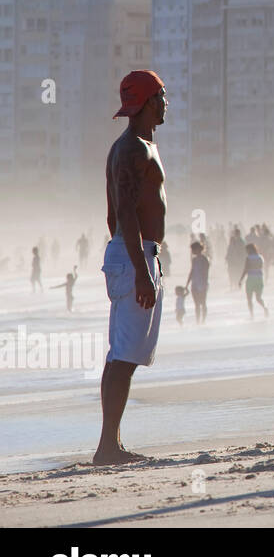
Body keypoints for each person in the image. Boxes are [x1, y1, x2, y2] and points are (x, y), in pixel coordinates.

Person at [97, 69, 167, 465]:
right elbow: (123, 211)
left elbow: (118, 216)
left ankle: (113, 444)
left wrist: (143, 258)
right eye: (161, 95)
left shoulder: (139, 145)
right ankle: (108, 447)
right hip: (134, 255)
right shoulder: (131, 149)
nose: (166, 103)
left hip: (137, 253)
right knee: (123, 355)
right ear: (146, 103)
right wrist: (139, 268)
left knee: (125, 354)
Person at [239, 242, 268, 318]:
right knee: (258, 298)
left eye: (247, 250)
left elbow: (246, 269)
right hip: (259, 278)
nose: (246, 252)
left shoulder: (248, 258)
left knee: (249, 299)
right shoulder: (260, 257)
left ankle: (252, 315)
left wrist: (241, 280)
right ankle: (265, 308)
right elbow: (261, 267)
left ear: (250, 250)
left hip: (251, 279)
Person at [184, 240, 210, 325]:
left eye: (193, 249)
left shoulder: (204, 259)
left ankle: (203, 321)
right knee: (197, 304)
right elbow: (192, 271)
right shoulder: (194, 260)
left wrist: (205, 284)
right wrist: (187, 284)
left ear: (198, 249)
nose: (192, 251)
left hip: (202, 284)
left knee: (203, 303)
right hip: (194, 284)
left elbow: (206, 272)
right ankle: (198, 321)